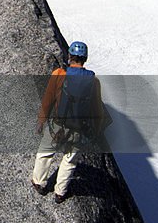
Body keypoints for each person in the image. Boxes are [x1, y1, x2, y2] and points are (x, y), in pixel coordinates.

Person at [31, 41, 106, 204]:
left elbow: (48, 99)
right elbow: (97, 110)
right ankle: (60, 192)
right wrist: (97, 130)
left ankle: (39, 181)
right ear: (84, 59)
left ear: (70, 56)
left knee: (45, 152)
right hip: (80, 130)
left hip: (58, 127)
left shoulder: (59, 73)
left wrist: (41, 121)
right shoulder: (93, 81)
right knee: (70, 161)